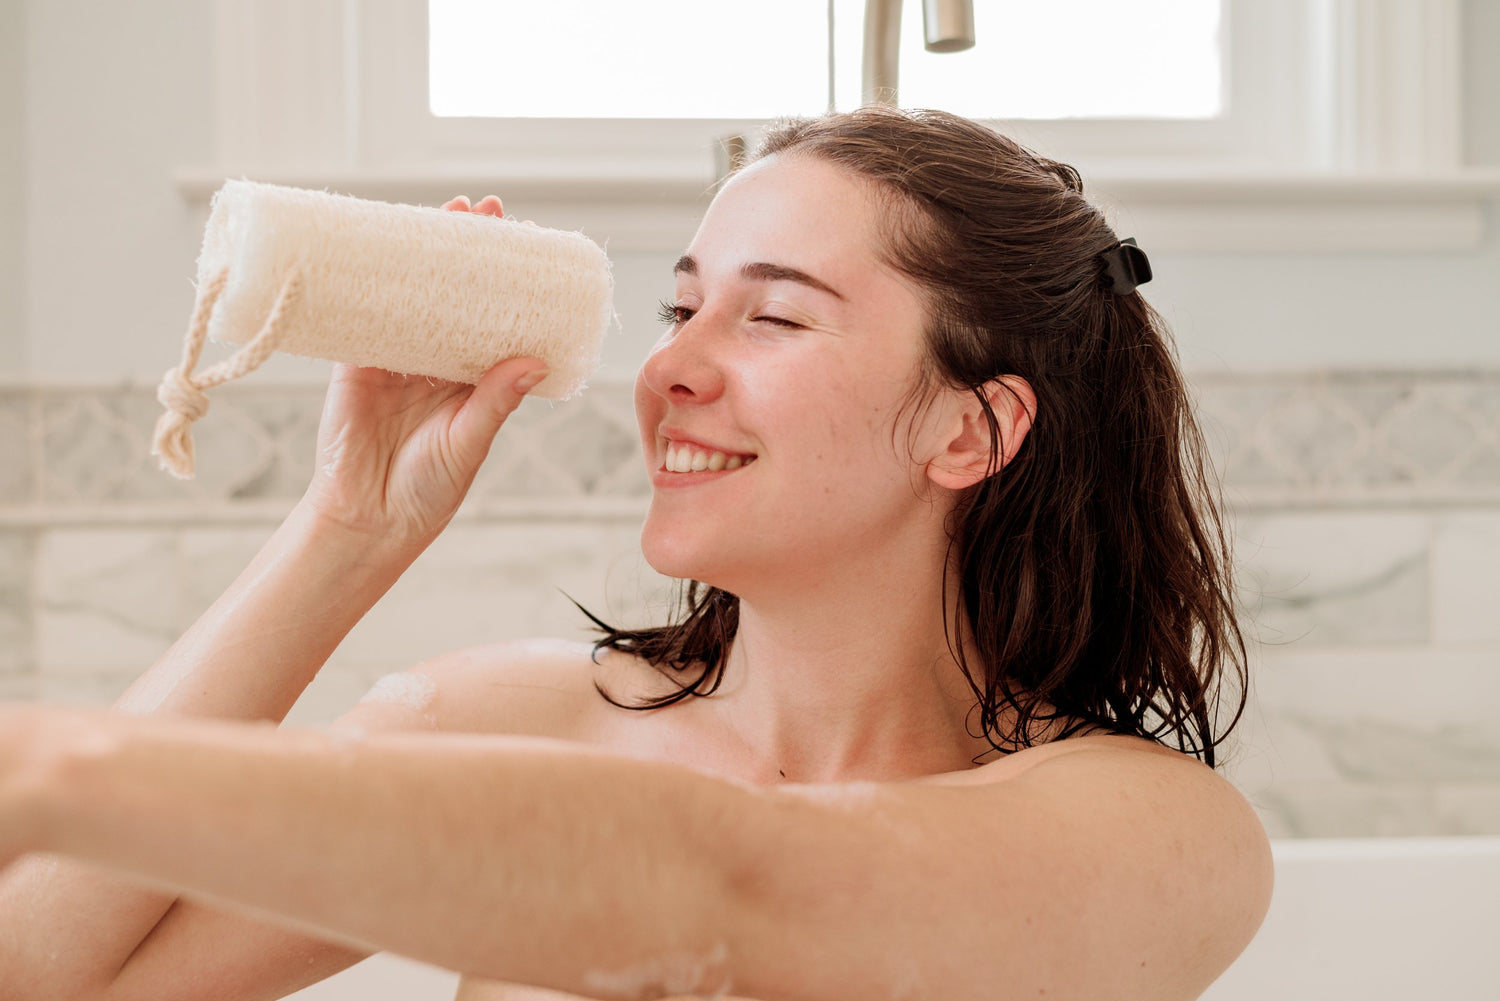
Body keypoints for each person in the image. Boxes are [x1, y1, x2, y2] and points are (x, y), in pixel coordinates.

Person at [0, 105, 1273, 1001]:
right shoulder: (512, 715)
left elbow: (725, 891)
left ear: (972, 426)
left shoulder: (1153, 829)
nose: (668, 365)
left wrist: (54, 762)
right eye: (680, 306)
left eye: (771, 315)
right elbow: (46, 974)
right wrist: (350, 525)